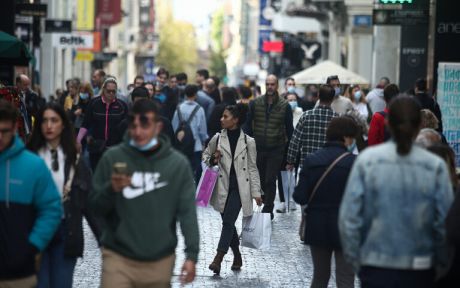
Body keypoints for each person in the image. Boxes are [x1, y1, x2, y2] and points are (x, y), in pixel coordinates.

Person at [339, 95, 454, 288]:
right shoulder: (435, 166)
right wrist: (440, 263)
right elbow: (443, 222)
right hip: (420, 266)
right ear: (420, 126)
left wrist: (358, 260)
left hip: (376, 263)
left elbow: (349, 218)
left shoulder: (367, 161)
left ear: (387, 124)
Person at [90, 99, 199, 287]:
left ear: (158, 127)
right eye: (134, 125)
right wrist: (111, 189)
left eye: (145, 124)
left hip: (159, 260)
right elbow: (94, 206)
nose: (138, 131)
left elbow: (187, 212)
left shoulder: (177, 164)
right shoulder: (113, 157)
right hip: (118, 256)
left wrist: (192, 255)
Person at [27, 103, 100, 288]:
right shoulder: (29, 157)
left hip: (66, 229)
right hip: (36, 230)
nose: (49, 126)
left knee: (61, 284)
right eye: (44, 121)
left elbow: (88, 203)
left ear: (63, 125)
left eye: (54, 120)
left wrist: (105, 239)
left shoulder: (75, 160)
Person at [0, 100, 62, 287]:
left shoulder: (33, 166)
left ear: (14, 129)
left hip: (19, 273)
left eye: (4, 131)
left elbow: (51, 209)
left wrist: (32, 246)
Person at [294, 117, 358, 288]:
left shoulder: (311, 160)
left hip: (317, 225)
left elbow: (299, 196)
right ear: (346, 137)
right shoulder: (354, 163)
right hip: (346, 226)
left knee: (320, 276)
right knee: (345, 277)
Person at [203, 104, 263, 275]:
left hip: (240, 189)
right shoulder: (217, 138)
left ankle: (218, 259)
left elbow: (252, 168)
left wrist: (256, 192)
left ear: (235, 120)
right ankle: (237, 255)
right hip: (222, 187)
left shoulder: (248, 141)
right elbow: (206, 156)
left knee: (228, 222)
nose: (221, 119)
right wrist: (214, 160)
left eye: (225, 116)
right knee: (227, 223)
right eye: (222, 116)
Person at [244, 74, 293, 219]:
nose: (270, 86)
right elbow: (247, 125)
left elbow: (289, 130)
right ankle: (265, 201)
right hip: (258, 148)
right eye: (268, 84)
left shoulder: (285, 106)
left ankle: (268, 207)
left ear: (277, 85)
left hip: (276, 149)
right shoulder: (255, 103)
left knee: (270, 179)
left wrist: (291, 153)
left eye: (272, 84)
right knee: (259, 179)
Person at [77, 77, 128, 170]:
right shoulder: (94, 103)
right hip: (96, 147)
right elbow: (86, 123)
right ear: (103, 90)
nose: (111, 94)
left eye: (114, 91)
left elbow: (127, 127)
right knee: (96, 174)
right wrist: (78, 140)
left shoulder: (122, 106)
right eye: (109, 91)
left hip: (115, 148)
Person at [287, 84, 337, 169]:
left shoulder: (306, 116)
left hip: (307, 165)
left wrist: (290, 161)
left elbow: (295, 140)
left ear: (318, 96)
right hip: (328, 166)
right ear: (332, 99)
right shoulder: (337, 119)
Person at [172, 84, 208, 184]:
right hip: (195, 146)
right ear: (195, 94)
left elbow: (174, 127)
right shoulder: (199, 109)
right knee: (196, 172)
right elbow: (202, 130)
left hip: (181, 146)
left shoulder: (179, 108)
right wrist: (203, 143)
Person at [276, 92, 303, 213]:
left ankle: (291, 199)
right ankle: (283, 201)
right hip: (283, 146)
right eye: (290, 99)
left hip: (296, 147)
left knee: (293, 174)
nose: (292, 101)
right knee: (281, 173)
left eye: (294, 99)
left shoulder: (300, 112)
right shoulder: (281, 112)